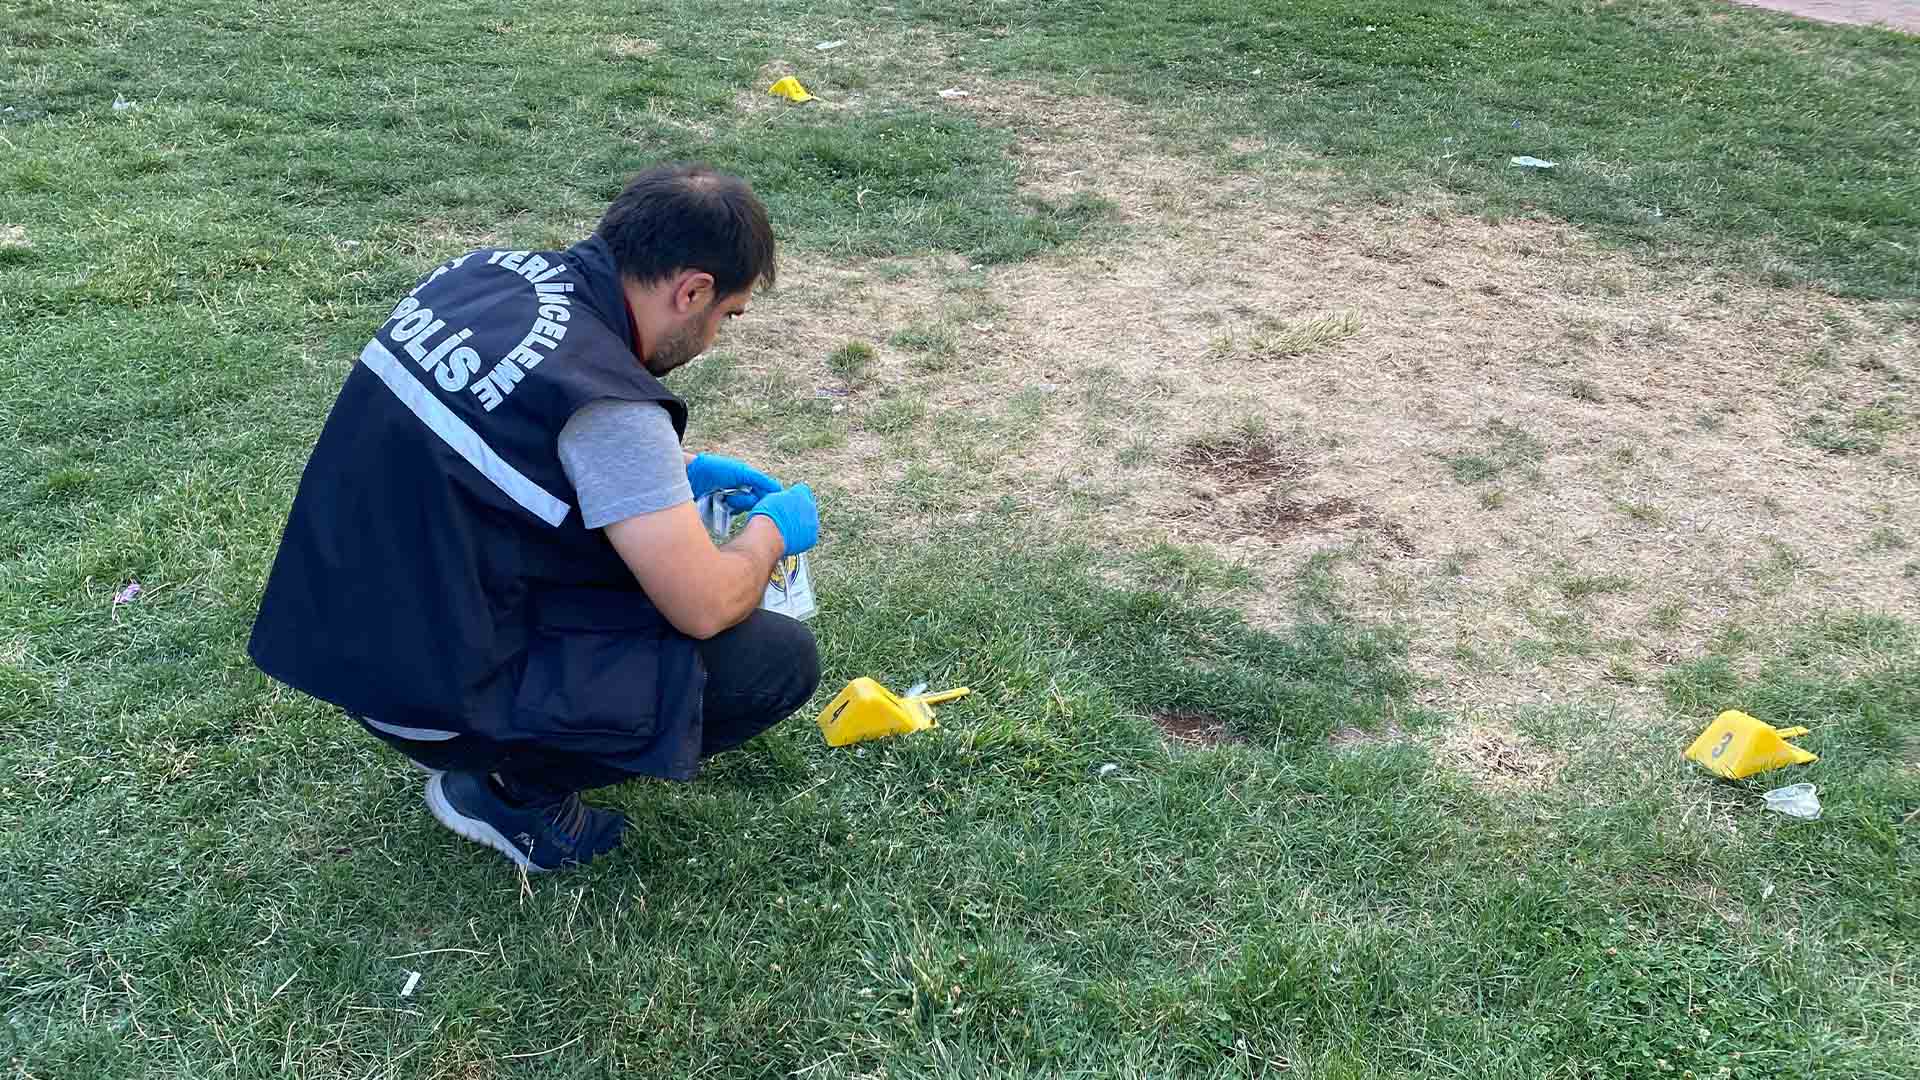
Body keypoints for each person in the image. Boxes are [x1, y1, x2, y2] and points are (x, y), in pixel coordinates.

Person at [247, 163, 821, 873]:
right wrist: (769, 532)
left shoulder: (482, 274)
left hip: (340, 644)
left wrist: (675, 474)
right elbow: (706, 606)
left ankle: (481, 742)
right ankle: (506, 787)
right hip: (429, 695)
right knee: (772, 660)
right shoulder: (610, 406)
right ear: (693, 290)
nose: (714, 340)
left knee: (636, 568)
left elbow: (500, 439)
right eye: (725, 316)